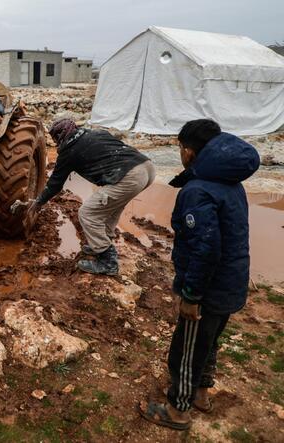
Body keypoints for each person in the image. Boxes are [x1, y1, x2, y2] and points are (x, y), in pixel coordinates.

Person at [138, 119, 260, 430]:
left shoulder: (198, 191)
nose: (180, 153)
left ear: (190, 152)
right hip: (230, 284)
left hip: (208, 290)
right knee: (209, 343)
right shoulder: (229, 181)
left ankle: (178, 411)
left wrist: (191, 296)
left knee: (186, 350)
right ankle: (202, 395)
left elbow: (206, 250)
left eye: (180, 148)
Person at [24, 118, 155, 275]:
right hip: (146, 167)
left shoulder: (69, 150)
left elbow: (55, 184)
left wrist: (39, 201)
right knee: (110, 207)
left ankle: (108, 261)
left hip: (129, 176)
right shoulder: (95, 133)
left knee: (88, 213)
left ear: (61, 135)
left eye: (55, 138)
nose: (55, 141)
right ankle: (100, 243)